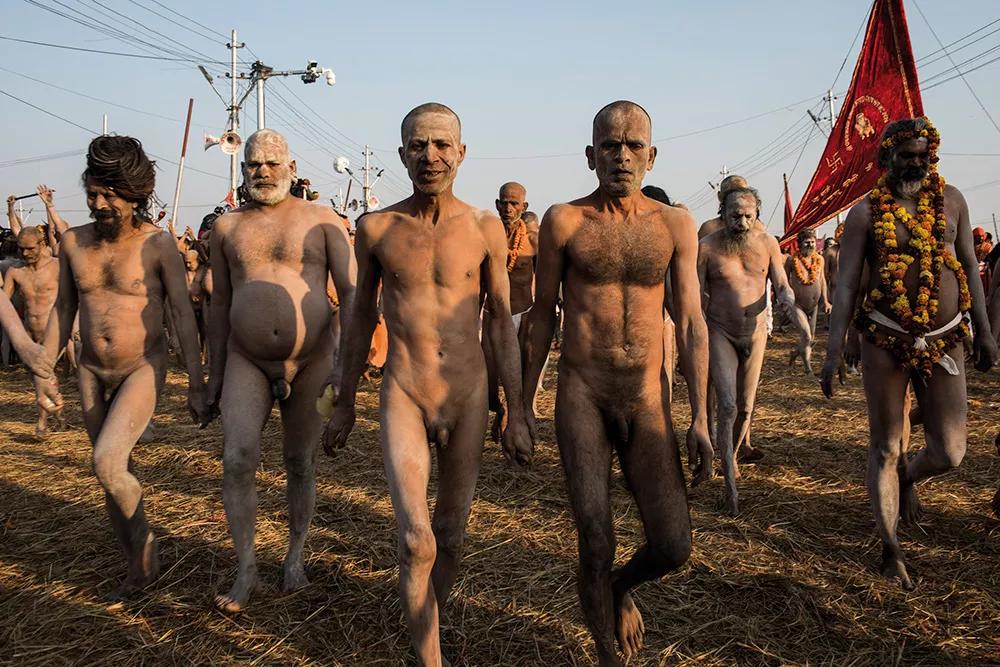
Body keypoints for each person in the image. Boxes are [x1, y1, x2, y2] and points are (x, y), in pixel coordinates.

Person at [324, 103, 532, 666]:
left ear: (462, 154)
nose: (430, 156)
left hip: (467, 395)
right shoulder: (377, 229)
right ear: (401, 155)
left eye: (442, 145)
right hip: (405, 394)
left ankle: (426, 624)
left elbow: (500, 324)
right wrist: (344, 400)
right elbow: (359, 318)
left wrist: (516, 409)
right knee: (417, 538)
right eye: (418, 145)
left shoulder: (485, 228)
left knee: (452, 536)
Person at [520, 101, 712, 666]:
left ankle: (620, 585)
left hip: (647, 398)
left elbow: (692, 320)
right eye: (609, 146)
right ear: (590, 155)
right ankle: (607, 654)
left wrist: (700, 417)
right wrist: (522, 405)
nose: (621, 156)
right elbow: (540, 314)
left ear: (652, 156)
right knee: (595, 538)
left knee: (675, 545)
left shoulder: (674, 224)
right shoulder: (565, 221)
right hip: (583, 392)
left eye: (633, 146)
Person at [821, 117, 998, 590]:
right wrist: (833, 349)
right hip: (885, 337)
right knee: (885, 444)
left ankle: (909, 477)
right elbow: (846, 287)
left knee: (951, 451)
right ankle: (890, 547)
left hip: (947, 336)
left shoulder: (953, 201)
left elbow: (967, 271)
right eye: (907, 155)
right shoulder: (865, 214)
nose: (917, 163)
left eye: (924, 154)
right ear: (886, 159)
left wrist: (984, 331)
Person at [32, 135, 207, 600]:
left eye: (110, 195)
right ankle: (136, 563)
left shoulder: (158, 245)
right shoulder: (73, 242)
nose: (99, 204)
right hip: (90, 368)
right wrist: (44, 369)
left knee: (105, 462)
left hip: (141, 367)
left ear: (134, 196)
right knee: (110, 472)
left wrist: (196, 383)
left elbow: (182, 317)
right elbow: (64, 309)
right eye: (92, 194)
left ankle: (146, 539)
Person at [207, 129, 357, 613]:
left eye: (272, 163)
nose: (263, 172)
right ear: (243, 169)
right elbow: (220, 303)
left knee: (300, 460)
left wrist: (344, 368)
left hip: (313, 357)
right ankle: (246, 566)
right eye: (253, 165)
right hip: (246, 358)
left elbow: (352, 293)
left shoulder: (323, 221)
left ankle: (295, 555)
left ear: (292, 167)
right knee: (237, 458)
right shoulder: (228, 228)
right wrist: (210, 376)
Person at [698, 187, 808, 515]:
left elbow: (782, 285)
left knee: (746, 407)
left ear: (757, 214)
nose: (742, 222)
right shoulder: (706, 248)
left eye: (748, 216)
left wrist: (791, 307)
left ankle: (729, 458)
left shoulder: (768, 244)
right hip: (721, 332)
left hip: (756, 333)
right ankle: (730, 484)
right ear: (723, 213)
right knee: (728, 405)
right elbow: (694, 295)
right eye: (735, 216)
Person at [485, 181, 539, 440]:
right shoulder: (485, 237)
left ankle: (515, 420)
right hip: (493, 314)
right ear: (497, 204)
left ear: (524, 206)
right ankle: (499, 409)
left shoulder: (534, 242)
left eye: (514, 203)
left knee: (520, 377)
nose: (508, 208)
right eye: (503, 202)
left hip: (524, 313)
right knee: (490, 380)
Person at [4, 226, 63, 436]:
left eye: (30, 249)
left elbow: (74, 298)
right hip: (29, 335)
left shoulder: (57, 267)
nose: (25, 254)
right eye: (21, 249)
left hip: (54, 332)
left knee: (43, 374)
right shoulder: (15, 271)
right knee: (40, 376)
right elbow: (5, 301)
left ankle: (42, 422)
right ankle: (56, 413)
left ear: (42, 244)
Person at [784, 228, 830, 374]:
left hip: (814, 305)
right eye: (807, 243)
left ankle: (795, 354)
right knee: (806, 335)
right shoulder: (792, 261)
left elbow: (822, 280)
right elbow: (784, 281)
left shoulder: (819, 259)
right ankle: (807, 368)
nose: (810, 245)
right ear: (799, 244)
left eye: (812, 242)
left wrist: (826, 301)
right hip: (797, 304)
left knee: (810, 338)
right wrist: (785, 299)